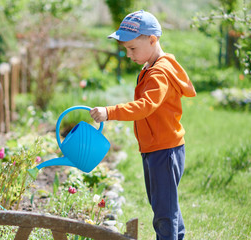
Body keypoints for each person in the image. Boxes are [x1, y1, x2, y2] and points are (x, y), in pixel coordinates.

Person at [89, 10, 196, 240]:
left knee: (164, 213)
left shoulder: (160, 73)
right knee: (165, 206)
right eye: (126, 49)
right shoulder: (150, 67)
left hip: (164, 150)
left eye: (132, 49)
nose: (128, 55)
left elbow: (144, 106)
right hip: (156, 148)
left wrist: (110, 112)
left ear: (152, 39)